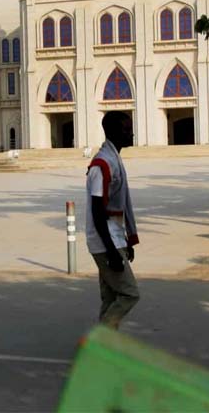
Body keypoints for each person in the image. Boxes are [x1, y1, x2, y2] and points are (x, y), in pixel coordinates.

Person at [86, 111, 140, 329]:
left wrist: (125, 240)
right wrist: (111, 251)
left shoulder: (113, 159)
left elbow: (115, 208)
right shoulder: (102, 164)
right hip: (103, 242)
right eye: (126, 129)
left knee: (110, 298)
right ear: (113, 132)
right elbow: (98, 211)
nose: (131, 133)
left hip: (113, 238)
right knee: (129, 293)